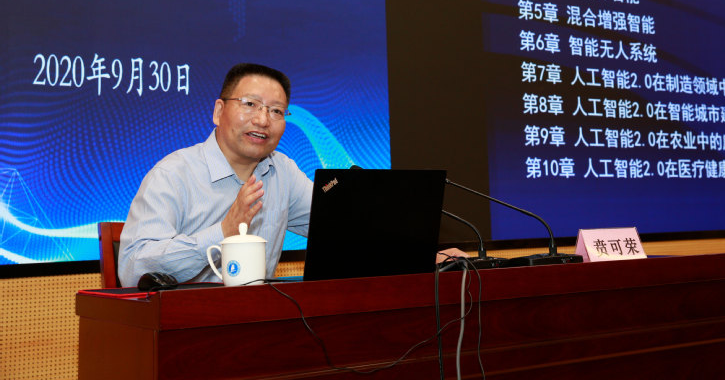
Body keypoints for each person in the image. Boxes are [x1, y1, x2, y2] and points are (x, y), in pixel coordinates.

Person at [119, 63, 465, 287]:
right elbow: (133, 270)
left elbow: (347, 230)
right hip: (184, 330)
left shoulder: (280, 171)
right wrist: (223, 232)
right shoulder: (173, 174)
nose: (262, 119)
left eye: (276, 111)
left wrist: (421, 257)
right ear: (219, 111)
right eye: (250, 104)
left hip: (262, 325)